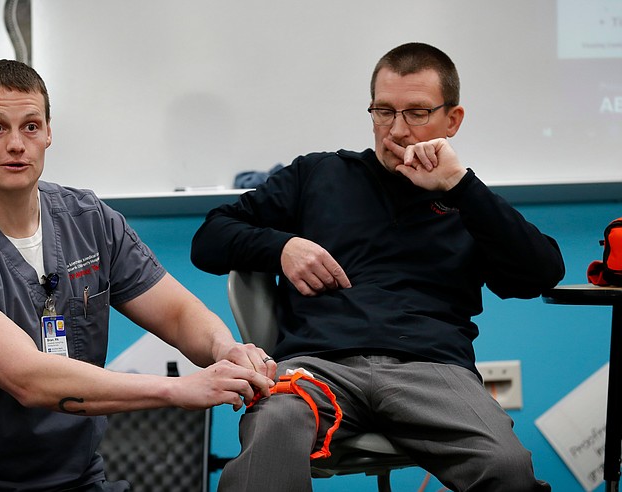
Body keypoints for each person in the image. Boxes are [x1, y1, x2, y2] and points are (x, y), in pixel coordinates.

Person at [0, 59, 276, 491]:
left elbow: (179, 313)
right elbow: (29, 378)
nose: (16, 144)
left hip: (73, 479)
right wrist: (178, 390)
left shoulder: (89, 221)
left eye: (30, 126)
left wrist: (225, 349)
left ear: (49, 132)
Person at [191, 42, 565, 491]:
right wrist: (282, 246)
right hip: (318, 366)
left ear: (453, 120)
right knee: (269, 433)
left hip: (433, 370)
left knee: (507, 467)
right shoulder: (320, 175)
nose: (397, 130)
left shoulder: (470, 202)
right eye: (383, 111)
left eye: (417, 113)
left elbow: (542, 274)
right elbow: (209, 239)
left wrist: (459, 186)